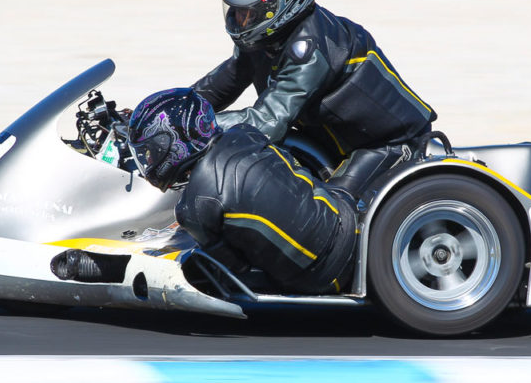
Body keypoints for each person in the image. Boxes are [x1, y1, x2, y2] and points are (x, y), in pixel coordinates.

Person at [192, 0, 436, 196]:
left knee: (332, 214)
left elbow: (267, 122)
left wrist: (195, 126)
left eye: (247, 13)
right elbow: (224, 82)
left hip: (386, 144)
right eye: (235, 11)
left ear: (280, 5)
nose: (238, 20)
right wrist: (170, 108)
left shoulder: (310, 48)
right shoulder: (266, 40)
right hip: (327, 141)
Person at [120, 88, 357, 294]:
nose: (149, 159)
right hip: (344, 218)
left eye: (151, 150)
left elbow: (233, 269)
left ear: (174, 143)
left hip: (320, 277)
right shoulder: (245, 133)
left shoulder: (192, 209)